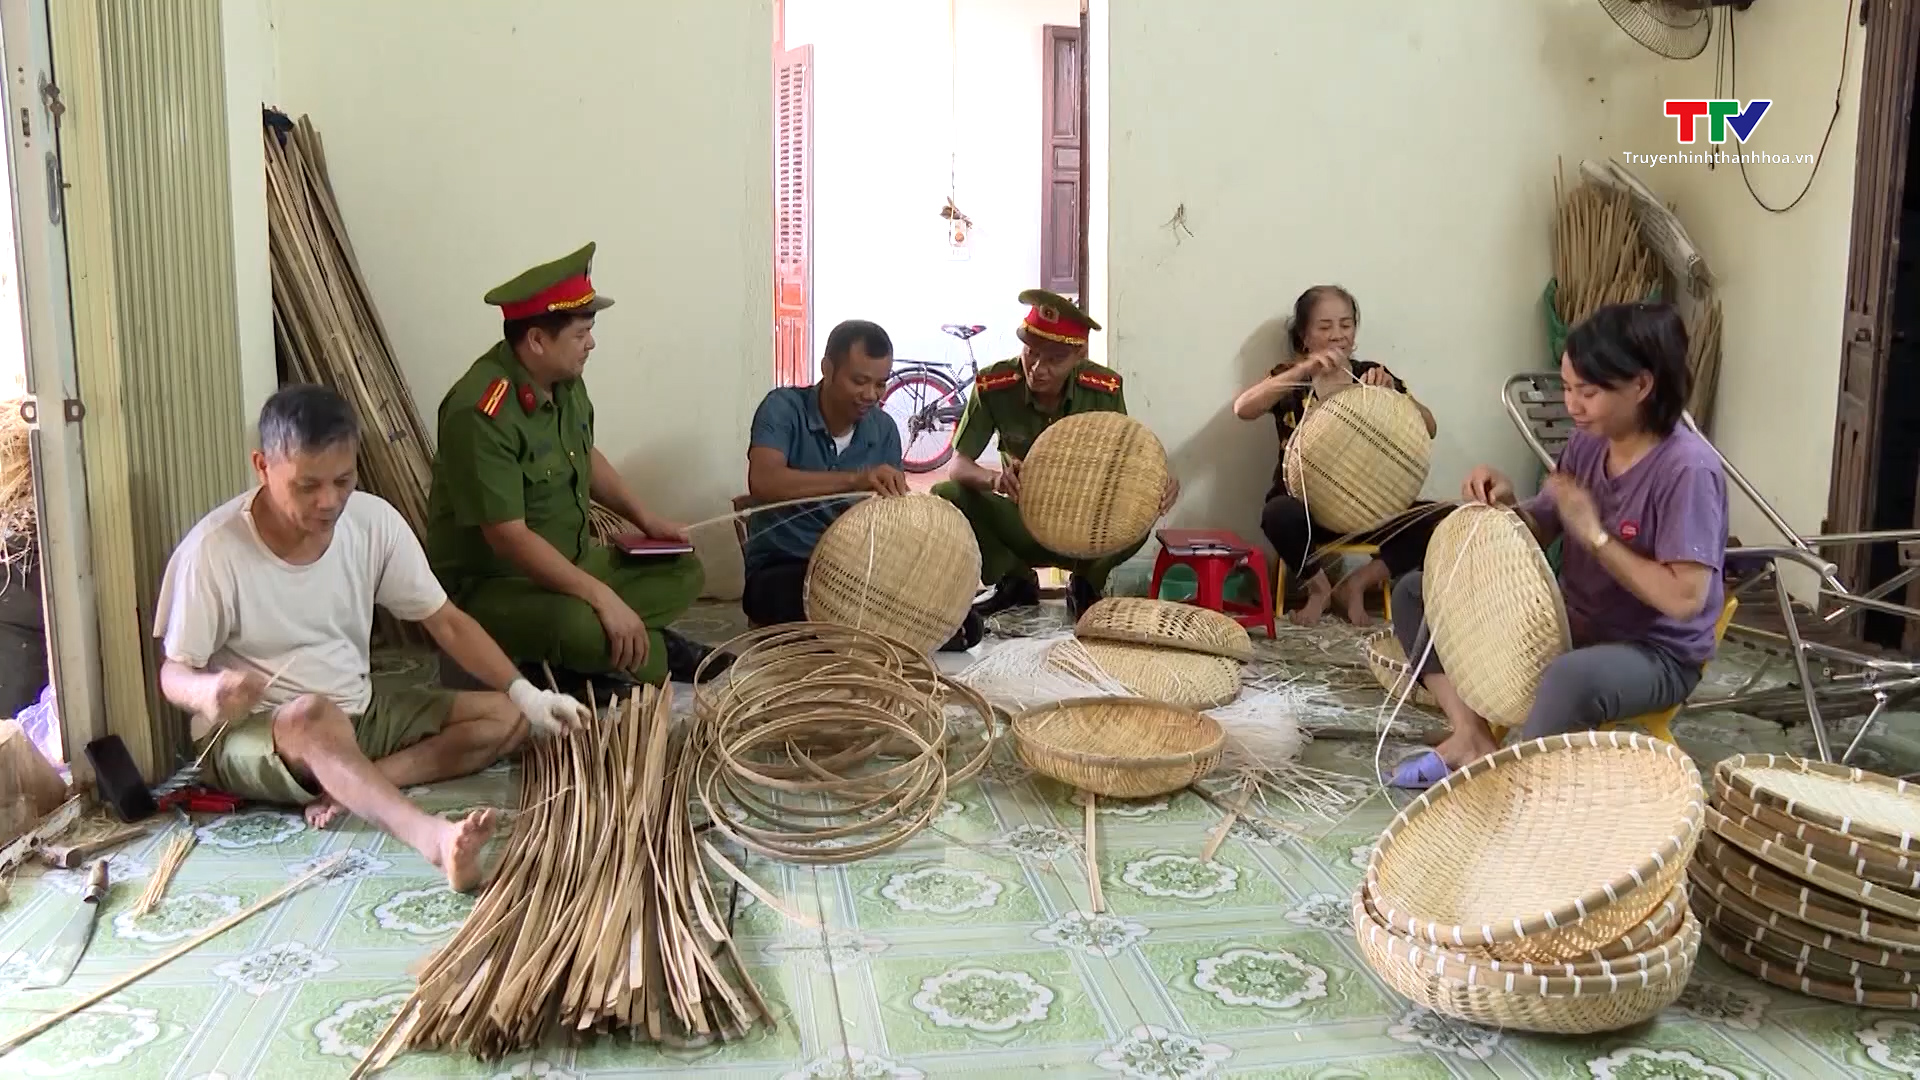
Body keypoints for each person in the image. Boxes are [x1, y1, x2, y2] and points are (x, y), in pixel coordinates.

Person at [153, 386, 593, 892]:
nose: (329, 501)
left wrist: (528, 694)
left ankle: (356, 783)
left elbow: (446, 621)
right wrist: (210, 692)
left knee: (505, 716)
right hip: (262, 732)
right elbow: (173, 671)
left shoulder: (370, 521)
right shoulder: (214, 549)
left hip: (359, 713)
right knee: (312, 715)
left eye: (343, 480)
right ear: (262, 466)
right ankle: (433, 839)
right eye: (307, 486)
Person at [1387, 302, 1728, 789]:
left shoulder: (1687, 470)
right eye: (1568, 388)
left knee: (1570, 677)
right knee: (1418, 591)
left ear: (1642, 386)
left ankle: (1521, 789)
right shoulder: (1589, 441)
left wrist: (1595, 534)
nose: (1573, 405)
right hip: (1567, 623)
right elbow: (1543, 524)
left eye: (1587, 392)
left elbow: (1683, 598)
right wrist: (1507, 505)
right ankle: (1471, 736)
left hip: (1655, 652)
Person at [426, 242, 719, 689]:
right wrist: (601, 597)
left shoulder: (564, 382)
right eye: (581, 333)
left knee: (685, 569)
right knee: (582, 627)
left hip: (573, 563)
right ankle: (656, 654)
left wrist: (647, 518)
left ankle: (597, 655)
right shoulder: (480, 411)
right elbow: (508, 538)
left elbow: (584, 454)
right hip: (499, 586)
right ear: (538, 340)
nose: (591, 343)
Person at [740, 319, 986, 649]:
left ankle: (856, 633)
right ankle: (870, 633)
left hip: (856, 571)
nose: (870, 394)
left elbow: (889, 522)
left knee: (967, 624)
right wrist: (855, 479)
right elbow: (764, 481)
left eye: (881, 384)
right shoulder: (783, 408)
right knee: (781, 597)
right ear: (827, 368)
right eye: (859, 381)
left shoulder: (883, 429)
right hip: (787, 565)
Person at [933, 289, 1178, 618]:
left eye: (1054, 359)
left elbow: (1127, 462)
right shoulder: (995, 385)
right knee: (946, 493)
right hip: (1021, 521)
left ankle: (1087, 583)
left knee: (1146, 511)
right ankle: (1015, 580)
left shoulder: (1103, 388)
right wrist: (995, 480)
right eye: (1030, 352)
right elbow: (958, 466)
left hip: (1087, 529)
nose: (1037, 368)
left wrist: (1161, 484)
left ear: (1079, 354)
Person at [1234, 285, 1440, 626]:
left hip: (1373, 509)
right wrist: (1303, 370)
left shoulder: (1371, 374)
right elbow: (1243, 408)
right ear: (1304, 335)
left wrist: (1395, 397)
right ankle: (1319, 589)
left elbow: (1429, 427)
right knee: (1277, 513)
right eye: (1325, 326)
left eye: (1345, 325)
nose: (1337, 335)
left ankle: (1356, 585)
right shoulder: (1291, 379)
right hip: (1307, 513)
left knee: (1438, 517)